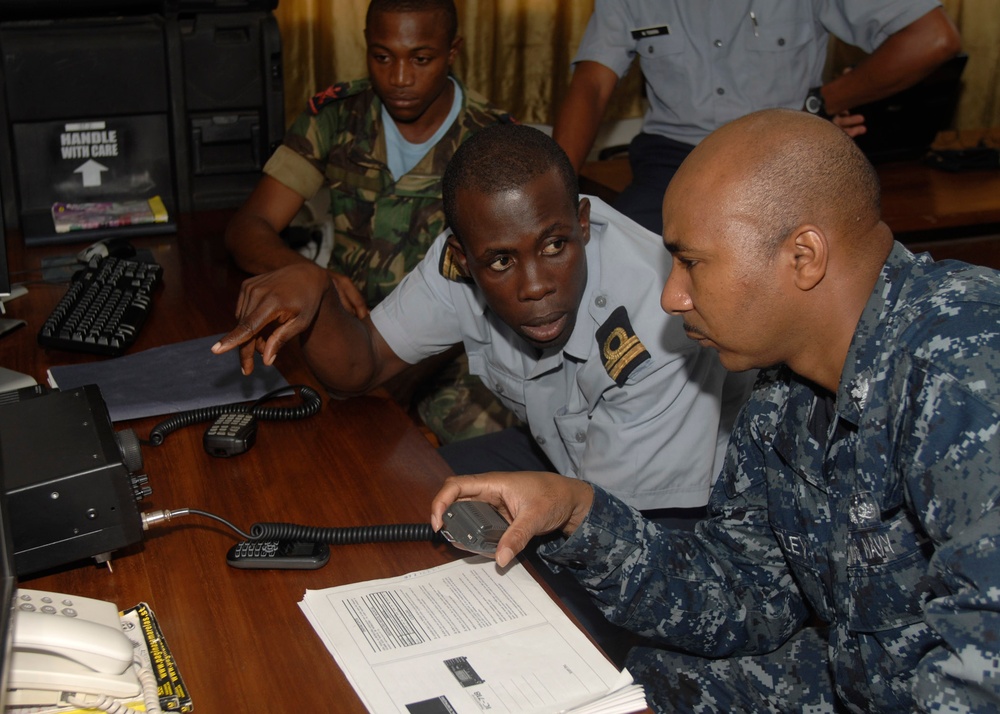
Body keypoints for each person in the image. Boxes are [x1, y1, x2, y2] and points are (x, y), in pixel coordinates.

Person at [430, 109, 1000, 713]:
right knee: (619, 681)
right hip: (859, 677)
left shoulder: (965, 373)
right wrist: (575, 509)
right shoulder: (783, 390)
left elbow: (981, 679)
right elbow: (746, 591)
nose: (672, 297)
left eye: (692, 263)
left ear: (803, 256)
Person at [213, 122, 751, 514]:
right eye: (499, 261)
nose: (535, 284)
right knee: (390, 498)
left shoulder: (660, 326)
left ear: (583, 223)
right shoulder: (460, 264)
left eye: (555, 245)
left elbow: (622, 537)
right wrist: (318, 290)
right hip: (570, 471)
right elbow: (362, 365)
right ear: (463, 255)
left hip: (685, 518)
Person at [223, 0, 517, 444]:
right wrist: (310, 276)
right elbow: (249, 226)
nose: (399, 78)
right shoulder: (337, 117)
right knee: (292, 443)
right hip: (347, 333)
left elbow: (501, 284)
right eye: (382, 57)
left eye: (421, 59)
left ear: (452, 51)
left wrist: (397, 378)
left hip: (456, 352)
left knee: (496, 461)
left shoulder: (492, 142)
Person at [553, 0, 962, 234]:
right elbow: (591, 85)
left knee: (800, 273)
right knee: (618, 263)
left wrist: (824, 101)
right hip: (675, 161)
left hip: (784, 154)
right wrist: (552, 196)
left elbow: (933, 38)